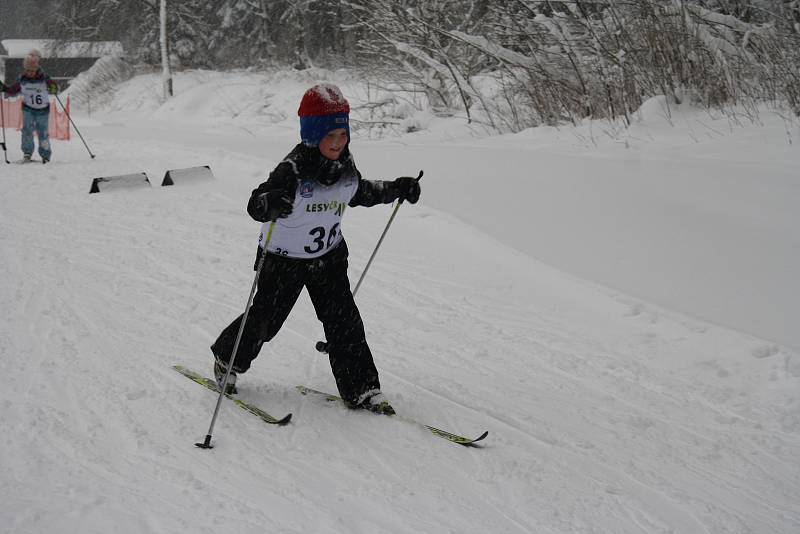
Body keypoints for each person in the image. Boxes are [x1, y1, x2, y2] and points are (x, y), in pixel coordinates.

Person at [210, 84, 421, 415]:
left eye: (342, 133)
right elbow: (256, 203)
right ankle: (227, 359)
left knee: (344, 321)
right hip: (283, 260)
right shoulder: (293, 169)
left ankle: (362, 388)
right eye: (330, 135)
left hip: (328, 257)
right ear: (312, 134)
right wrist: (268, 203)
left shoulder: (344, 164)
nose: (338, 142)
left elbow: (357, 192)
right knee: (266, 319)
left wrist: (395, 188)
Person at [0, 50, 58, 163]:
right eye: (27, 70)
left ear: (36, 69)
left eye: (32, 70)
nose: (30, 72)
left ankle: (45, 155)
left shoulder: (44, 78)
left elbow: (54, 88)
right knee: (26, 131)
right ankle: (27, 153)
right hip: (28, 109)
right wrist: (4, 88)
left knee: (43, 132)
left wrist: (53, 88)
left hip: (43, 110)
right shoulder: (22, 79)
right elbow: (12, 91)